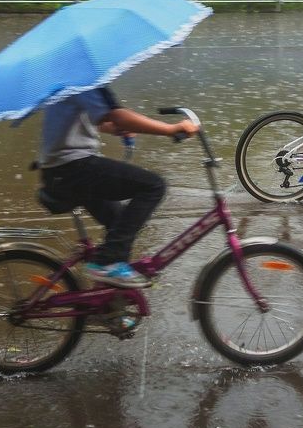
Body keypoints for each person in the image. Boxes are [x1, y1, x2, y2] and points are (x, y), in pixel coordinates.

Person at [37, 86, 197, 288]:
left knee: (119, 223)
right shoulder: (84, 80)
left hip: (61, 171)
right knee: (153, 186)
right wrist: (171, 129)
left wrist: (113, 127)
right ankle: (107, 263)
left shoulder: (69, 80)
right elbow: (117, 115)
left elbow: (96, 117)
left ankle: (109, 304)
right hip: (73, 167)